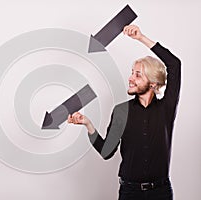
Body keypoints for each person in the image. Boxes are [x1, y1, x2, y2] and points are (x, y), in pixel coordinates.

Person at [67, 25, 181, 200]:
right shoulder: (121, 111)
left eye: (138, 75)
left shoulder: (166, 108)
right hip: (130, 193)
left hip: (161, 192)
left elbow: (174, 64)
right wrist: (87, 124)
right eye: (132, 73)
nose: (130, 78)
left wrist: (141, 38)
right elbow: (107, 152)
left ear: (152, 83)